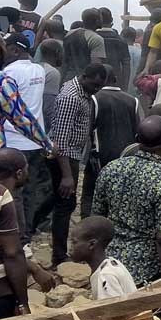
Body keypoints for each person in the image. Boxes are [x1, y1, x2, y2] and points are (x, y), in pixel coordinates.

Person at [93, 116, 161, 285]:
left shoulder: (111, 168)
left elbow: (97, 219)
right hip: (147, 271)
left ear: (137, 140)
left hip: (110, 266)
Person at [49, 63, 106, 266]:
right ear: (84, 77)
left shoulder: (84, 93)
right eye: (94, 85)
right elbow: (60, 141)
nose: (96, 90)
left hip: (73, 155)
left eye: (100, 87)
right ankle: (59, 256)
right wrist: (67, 175)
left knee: (56, 202)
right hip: (65, 157)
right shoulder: (71, 98)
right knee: (65, 204)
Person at [1, 33, 50, 242]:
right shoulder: (6, 79)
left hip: (13, 144)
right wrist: (46, 143)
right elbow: (21, 117)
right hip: (19, 144)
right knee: (17, 194)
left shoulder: (9, 74)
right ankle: (21, 239)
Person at [81, 65, 144, 218]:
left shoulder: (95, 99)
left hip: (100, 157)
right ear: (115, 79)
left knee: (90, 193)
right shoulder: (133, 101)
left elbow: (88, 130)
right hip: (126, 158)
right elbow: (139, 131)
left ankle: (88, 225)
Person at [68, 216, 137, 300]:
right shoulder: (112, 262)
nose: (70, 247)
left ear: (92, 244)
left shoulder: (106, 276)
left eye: (74, 242)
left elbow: (112, 310)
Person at [0, 149, 31, 318]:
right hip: (1, 290)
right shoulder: (2, 196)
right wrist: (22, 302)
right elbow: (12, 253)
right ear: (19, 173)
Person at [62, 8, 106, 82]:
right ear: (97, 21)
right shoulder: (96, 39)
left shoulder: (69, 34)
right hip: (84, 81)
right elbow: (95, 67)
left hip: (67, 78)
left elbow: (64, 60)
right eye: (101, 18)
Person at [97, 8, 131, 91]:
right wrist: (124, 87)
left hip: (94, 83)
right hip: (115, 83)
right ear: (111, 20)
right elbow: (126, 66)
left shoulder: (91, 38)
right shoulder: (121, 40)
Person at [38, 39, 62, 126]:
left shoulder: (36, 68)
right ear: (57, 52)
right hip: (42, 124)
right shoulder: (52, 73)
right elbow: (48, 106)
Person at [122, 27, 141, 94]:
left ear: (122, 36)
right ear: (134, 37)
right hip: (136, 88)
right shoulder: (140, 52)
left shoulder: (120, 52)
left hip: (122, 89)